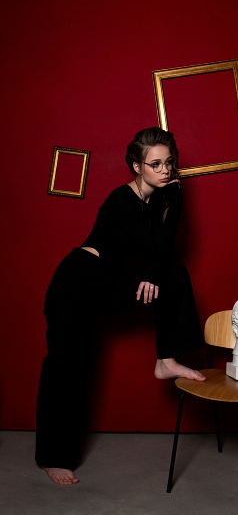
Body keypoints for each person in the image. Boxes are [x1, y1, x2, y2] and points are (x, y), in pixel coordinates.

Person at [36, 127, 206, 485]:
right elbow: (155, 248)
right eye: (156, 164)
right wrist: (177, 201)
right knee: (67, 371)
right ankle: (54, 458)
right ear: (137, 167)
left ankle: (166, 359)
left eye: (169, 163)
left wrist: (154, 274)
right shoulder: (121, 200)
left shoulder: (152, 204)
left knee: (173, 274)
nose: (165, 170)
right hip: (77, 285)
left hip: (108, 283)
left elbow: (163, 253)